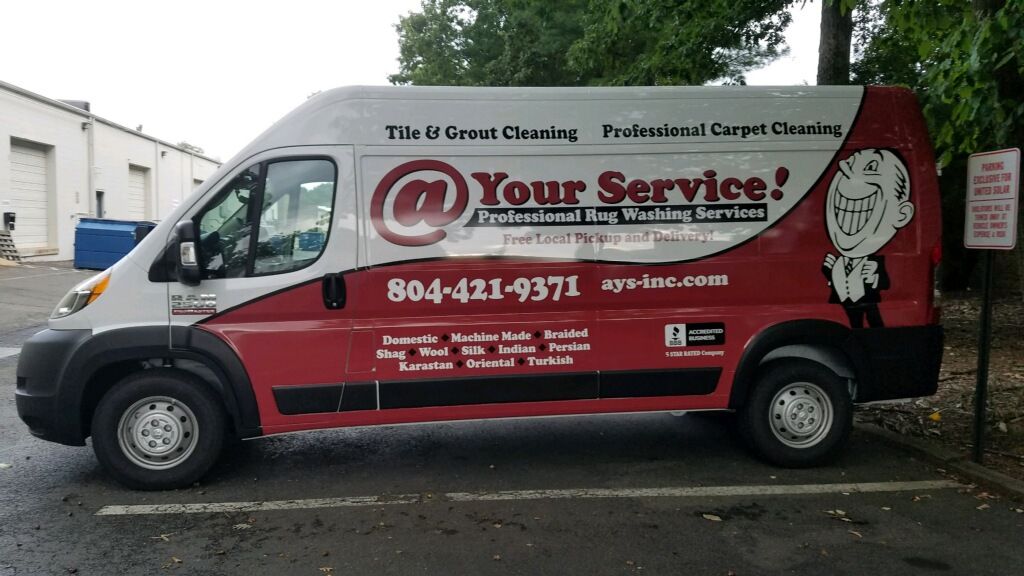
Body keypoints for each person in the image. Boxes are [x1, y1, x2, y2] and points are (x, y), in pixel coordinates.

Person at [822, 148, 914, 328]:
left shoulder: (876, 262)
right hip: (845, 304)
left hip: (868, 300)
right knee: (854, 320)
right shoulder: (838, 262)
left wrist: (875, 277)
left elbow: (886, 283)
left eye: (871, 167)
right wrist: (830, 272)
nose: (850, 174)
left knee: (873, 319)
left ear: (901, 214)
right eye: (849, 164)